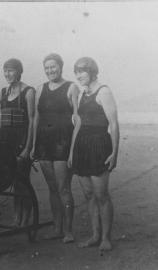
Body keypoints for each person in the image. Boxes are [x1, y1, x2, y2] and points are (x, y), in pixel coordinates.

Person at [68, 57, 119, 251]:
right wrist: (72, 152)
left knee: (101, 195)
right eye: (76, 72)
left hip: (99, 146)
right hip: (81, 146)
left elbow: (113, 124)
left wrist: (115, 153)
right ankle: (95, 235)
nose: (79, 75)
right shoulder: (81, 94)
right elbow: (78, 125)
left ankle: (106, 238)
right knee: (88, 194)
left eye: (82, 71)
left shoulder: (103, 91)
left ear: (92, 71)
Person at [30, 53, 80, 243]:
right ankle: (57, 228)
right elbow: (36, 119)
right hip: (44, 143)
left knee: (63, 188)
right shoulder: (40, 88)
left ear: (61, 66)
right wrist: (34, 144)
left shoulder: (71, 87)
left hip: (63, 143)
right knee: (52, 189)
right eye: (47, 68)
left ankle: (68, 231)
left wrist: (74, 149)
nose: (51, 70)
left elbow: (78, 120)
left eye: (54, 67)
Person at [0, 58, 35, 227]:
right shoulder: (4, 91)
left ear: (19, 71)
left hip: (21, 142)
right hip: (6, 142)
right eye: (5, 70)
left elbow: (33, 121)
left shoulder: (28, 91)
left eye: (11, 70)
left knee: (23, 182)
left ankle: (26, 217)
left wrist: (28, 147)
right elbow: (1, 120)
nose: (8, 74)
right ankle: (16, 215)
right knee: (13, 180)